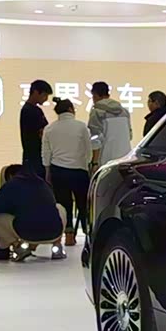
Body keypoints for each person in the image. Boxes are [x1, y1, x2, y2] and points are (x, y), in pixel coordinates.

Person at [0, 164, 66, 262]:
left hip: (26, 233)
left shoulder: (12, 184)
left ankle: (18, 247)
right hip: (54, 232)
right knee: (59, 208)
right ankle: (57, 245)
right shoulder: (42, 183)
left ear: (10, 176)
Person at [42, 97, 93, 246]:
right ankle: (88, 234)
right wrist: (86, 164)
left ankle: (68, 234)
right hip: (79, 170)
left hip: (58, 170)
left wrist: (47, 171)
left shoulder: (50, 128)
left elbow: (46, 153)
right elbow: (88, 150)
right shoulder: (81, 127)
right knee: (83, 204)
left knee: (64, 205)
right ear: (71, 109)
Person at [87, 81, 132, 167]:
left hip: (105, 160)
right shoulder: (124, 112)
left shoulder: (97, 112)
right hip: (125, 158)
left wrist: (94, 163)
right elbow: (130, 136)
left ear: (95, 95)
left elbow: (95, 140)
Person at [19, 79, 53, 171]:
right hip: (34, 156)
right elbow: (42, 132)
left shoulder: (35, 110)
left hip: (34, 156)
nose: (46, 99)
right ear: (35, 92)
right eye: (44, 95)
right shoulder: (29, 110)